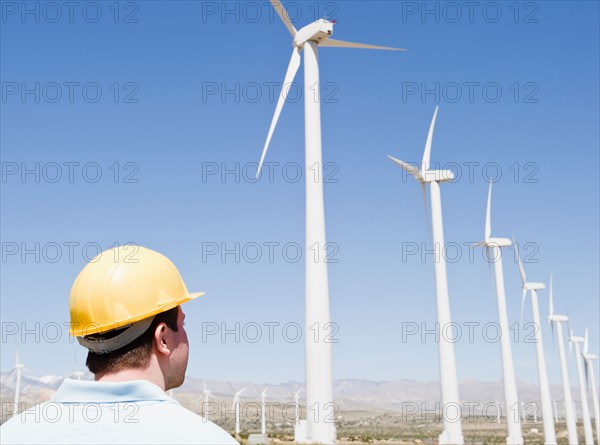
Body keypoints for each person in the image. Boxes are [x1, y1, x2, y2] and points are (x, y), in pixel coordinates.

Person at [1, 245, 238, 445]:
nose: (186, 337)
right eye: (183, 324)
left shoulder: (12, 434)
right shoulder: (206, 439)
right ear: (163, 337)